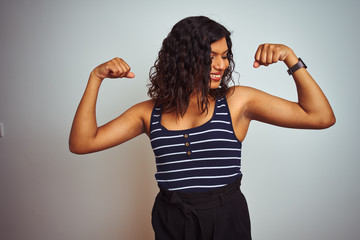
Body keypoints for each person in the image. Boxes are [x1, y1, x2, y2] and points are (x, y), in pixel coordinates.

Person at [69, 16, 335, 240]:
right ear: (183, 58)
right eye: (211, 57)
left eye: (225, 56)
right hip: (171, 217)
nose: (222, 65)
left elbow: (320, 117)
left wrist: (291, 59)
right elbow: (82, 143)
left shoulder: (237, 101)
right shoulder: (148, 112)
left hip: (226, 217)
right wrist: (96, 78)